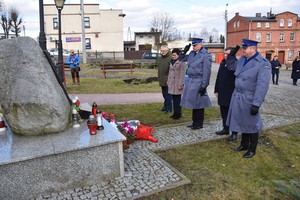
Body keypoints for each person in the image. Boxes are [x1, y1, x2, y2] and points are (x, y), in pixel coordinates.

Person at [226, 39, 271, 158]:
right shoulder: (242, 60)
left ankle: (252, 149)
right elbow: (231, 67)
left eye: (245, 48)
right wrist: (231, 56)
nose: (243, 51)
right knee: (242, 121)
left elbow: (262, 85)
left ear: (253, 48)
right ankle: (244, 145)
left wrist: (256, 103)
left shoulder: (263, 63)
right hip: (238, 96)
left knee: (252, 124)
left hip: (249, 97)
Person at [181, 38, 212, 130]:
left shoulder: (206, 55)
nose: (193, 47)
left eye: (195, 45)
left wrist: (204, 85)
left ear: (200, 45)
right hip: (191, 81)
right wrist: (184, 51)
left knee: (199, 104)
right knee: (193, 104)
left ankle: (199, 123)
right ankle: (194, 122)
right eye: (193, 45)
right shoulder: (191, 54)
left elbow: (207, 72)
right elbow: (181, 59)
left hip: (199, 81)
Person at [214, 46, 240, 141]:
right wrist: (216, 90)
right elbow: (218, 77)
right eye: (224, 53)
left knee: (232, 113)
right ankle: (225, 128)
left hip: (231, 92)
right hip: (222, 92)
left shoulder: (236, 64)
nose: (225, 55)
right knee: (223, 112)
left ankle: (234, 132)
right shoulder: (223, 63)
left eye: (227, 54)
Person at [167, 48, 186, 119]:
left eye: (174, 55)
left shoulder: (181, 62)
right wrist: (168, 81)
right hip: (172, 83)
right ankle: (175, 113)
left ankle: (178, 114)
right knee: (174, 100)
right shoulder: (172, 61)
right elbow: (170, 73)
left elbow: (182, 74)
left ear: (178, 55)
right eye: (172, 55)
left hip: (177, 83)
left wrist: (181, 84)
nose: (173, 56)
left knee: (177, 100)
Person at [157, 45, 172, 114]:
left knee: (168, 95)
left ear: (167, 51)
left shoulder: (170, 58)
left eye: (163, 51)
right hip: (162, 79)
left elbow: (172, 70)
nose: (162, 52)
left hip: (168, 80)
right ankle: (165, 106)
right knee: (164, 94)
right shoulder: (160, 58)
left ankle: (169, 108)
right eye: (161, 51)